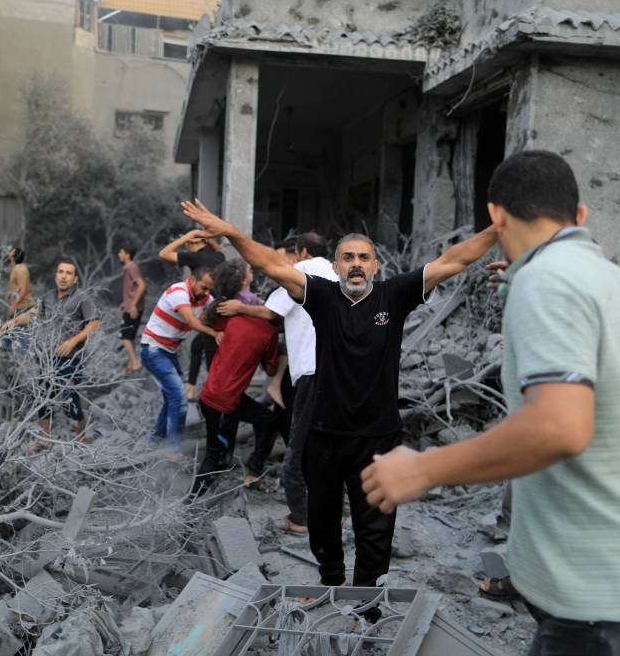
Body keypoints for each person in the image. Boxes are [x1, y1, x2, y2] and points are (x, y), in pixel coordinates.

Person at [361, 150, 620, 654]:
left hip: (607, 612)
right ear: (578, 216)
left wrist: (426, 467)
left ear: (496, 216)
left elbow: (558, 428)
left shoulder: (549, 280)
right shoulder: (615, 281)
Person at [180, 199, 495, 592]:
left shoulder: (394, 294)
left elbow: (455, 259)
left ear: (376, 266)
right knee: (323, 524)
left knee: (375, 528)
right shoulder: (323, 296)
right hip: (325, 433)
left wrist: (499, 228)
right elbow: (269, 264)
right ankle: (330, 586)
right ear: (335, 266)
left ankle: (367, 604)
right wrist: (230, 232)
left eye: (364, 257)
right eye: (348, 257)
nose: (357, 263)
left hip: (378, 437)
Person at [217, 231, 336, 535]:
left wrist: (241, 308)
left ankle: (300, 518)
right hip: (341, 371)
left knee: (298, 447)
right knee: (332, 444)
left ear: (302, 251)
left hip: (311, 370)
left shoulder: (302, 273)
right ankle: (338, 510)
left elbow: (272, 313)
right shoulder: (338, 272)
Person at [192, 259, 281, 496]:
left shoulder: (229, 312)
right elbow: (271, 371)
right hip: (222, 403)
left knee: (268, 421)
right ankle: (189, 508)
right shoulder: (268, 332)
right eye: (249, 270)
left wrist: (217, 332)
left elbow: (203, 319)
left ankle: (251, 474)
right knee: (217, 458)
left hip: (216, 396)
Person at [3, 259, 100, 449]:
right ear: (56, 275)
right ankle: (44, 439)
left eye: (68, 273)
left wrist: (73, 341)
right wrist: (14, 321)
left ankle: (80, 440)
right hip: (47, 356)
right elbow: (33, 313)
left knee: (70, 398)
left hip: (71, 358)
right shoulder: (48, 297)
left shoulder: (82, 298)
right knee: (43, 397)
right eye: (61, 272)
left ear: (75, 279)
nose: (64, 276)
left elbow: (95, 323)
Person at [140, 266, 219, 458]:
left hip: (168, 352)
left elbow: (214, 312)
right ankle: (173, 448)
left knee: (171, 397)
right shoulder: (178, 292)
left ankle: (155, 440)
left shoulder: (205, 299)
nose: (206, 293)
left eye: (210, 289)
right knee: (179, 398)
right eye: (203, 287)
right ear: (191, 279)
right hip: (153, 349)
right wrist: (215, 333)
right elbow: (192, 322)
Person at [159, 230, 225, 400]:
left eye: (188, 243)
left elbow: (164, 253)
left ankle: (212, 398)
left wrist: (185, 237)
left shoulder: (195, 257)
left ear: (191, 243)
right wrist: (206, 237)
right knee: (198, 345)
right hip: (221, 309)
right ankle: (191, 388)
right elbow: (218, 248)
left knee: (210, 356)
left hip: (213, 313)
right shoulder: (219, 257)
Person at [118, 244, 146, 373]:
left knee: (125, 337)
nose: (119, 254)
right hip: (129, 306)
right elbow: (132, 288)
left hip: (133, 308)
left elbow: (141, 285)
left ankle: (135, 363)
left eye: (121, 252)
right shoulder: (129, 267)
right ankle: (132, 364)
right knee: (129, 336)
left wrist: (133, 305)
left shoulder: (131, 267)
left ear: (127, 255)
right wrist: (125, 302)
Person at [2, 247, 33, 351]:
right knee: (8, 331)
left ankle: (24, 360)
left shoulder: (20, 269)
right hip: (18, 306)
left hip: (22, 307)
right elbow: (18, 288)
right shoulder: (16, 268)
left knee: (22, 335)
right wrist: (10, 293)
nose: (9, 253)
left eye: (11, 252)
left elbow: (24, 290)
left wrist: (13, 306)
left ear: (14, 255)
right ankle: (9, 355)